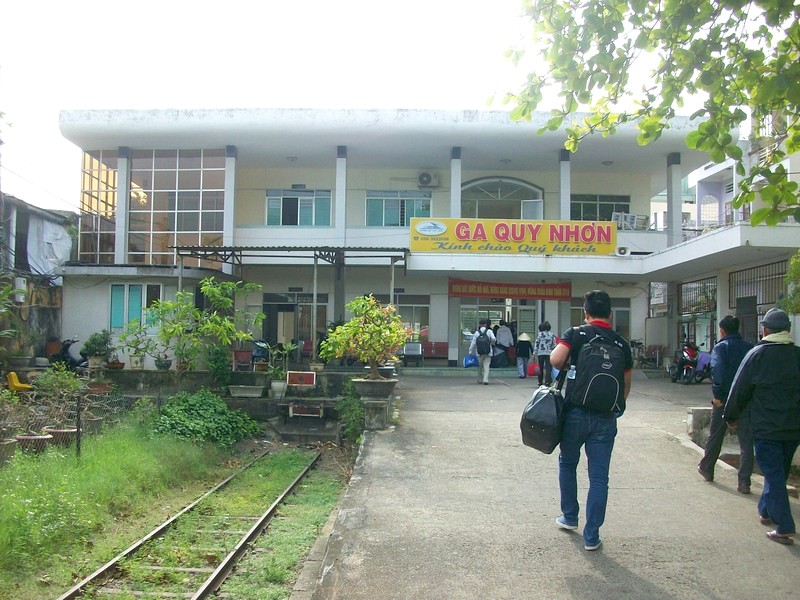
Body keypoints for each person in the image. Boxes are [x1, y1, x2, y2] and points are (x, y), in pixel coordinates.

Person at [549, 290, 633, 551]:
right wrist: (614, 407)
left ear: (585, 312)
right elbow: (626, 384)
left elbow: (555, 359)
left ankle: (569, 516)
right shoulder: (621, 343)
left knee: (568, 463)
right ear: (610, 314)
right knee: (599, 478)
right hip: (606, 417)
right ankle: (592, 536)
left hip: (575, 412)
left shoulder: (577, 334)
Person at [724, 308, 800, 545]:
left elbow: (740, 388)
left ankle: (785, 526)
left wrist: (730, 416)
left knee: (774, 474)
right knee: (778, 472)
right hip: (793, 428)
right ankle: (766, 510)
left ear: (764, 330)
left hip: (766, 427)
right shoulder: (797, 355)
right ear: (788, 329)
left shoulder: (757, 354)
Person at [697, 315, 754, 492]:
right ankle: (744, 481)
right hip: (745, 399)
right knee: (746, 442)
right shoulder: (749, 347)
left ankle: (707, 468)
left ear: (722, 331)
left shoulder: (721, 348)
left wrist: (717, 396)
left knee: (716, 435)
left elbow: (718, 372)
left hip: (725, 400)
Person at [469, 319, 496, 385]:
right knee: (486, 366)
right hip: (488, 352)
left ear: (480, 325)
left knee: (479, 367)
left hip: (479, 353)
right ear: (486, 324)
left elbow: (473, 343)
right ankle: (485, 380)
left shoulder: (477, 333)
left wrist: (470, 351)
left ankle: (480, 379)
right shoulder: (489, 331)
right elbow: (493, 339)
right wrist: (492, 343)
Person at [535, 321, 557, 386]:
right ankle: (547, 382)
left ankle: (540, 381)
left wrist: (534, 352)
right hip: (549, 353)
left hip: (540, 353)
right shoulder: (552, 335)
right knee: (548, 368)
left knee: (540, 367)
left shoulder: (540, 334)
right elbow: (554, 344)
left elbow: (537, 343)